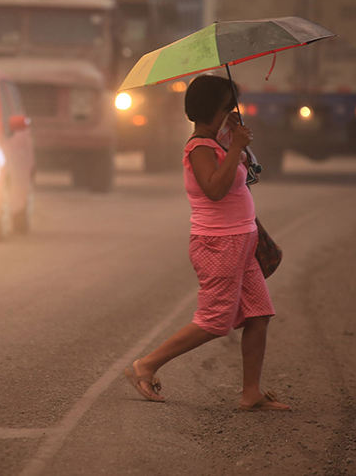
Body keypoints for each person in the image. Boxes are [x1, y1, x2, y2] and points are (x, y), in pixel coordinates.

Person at [123, 74, 290, 411]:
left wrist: (237, 144)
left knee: (259, 315)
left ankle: (251, 393)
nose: (232, 112)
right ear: (212, 109)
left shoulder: (219, 143)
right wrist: (236, 147)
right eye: (227, 107)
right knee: (215, 322)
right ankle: (146, 365)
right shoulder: (199, 147)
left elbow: (248, 177)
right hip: (219, 245)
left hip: (243, 241)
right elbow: (214, 189)